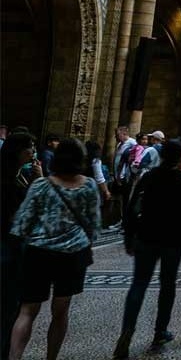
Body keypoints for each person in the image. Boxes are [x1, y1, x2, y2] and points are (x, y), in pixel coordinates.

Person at [7, 138, 99, 360]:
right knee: (60, 312)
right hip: (72, 255)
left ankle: (14, 357)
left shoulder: (41, 185)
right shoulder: (88, 186)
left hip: (39, 253)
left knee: (27, 311)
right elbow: (94, 225)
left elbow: (21, 222)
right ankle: (51, 358)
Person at [113, 140, 181, 358]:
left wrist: (129, 236)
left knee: (139, 284)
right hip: (173, 240)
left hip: (147, 237)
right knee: (167, 284)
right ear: (180, 157)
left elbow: (133, 207)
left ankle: (127, 331)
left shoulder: (148, 177)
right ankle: (160, 331)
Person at [1, 130, 38, 358]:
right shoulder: (10, 181)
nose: (33, 151)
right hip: (9, 249)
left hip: (11, 247)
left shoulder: (17, 175)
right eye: (30, 147)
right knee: (8, 306)